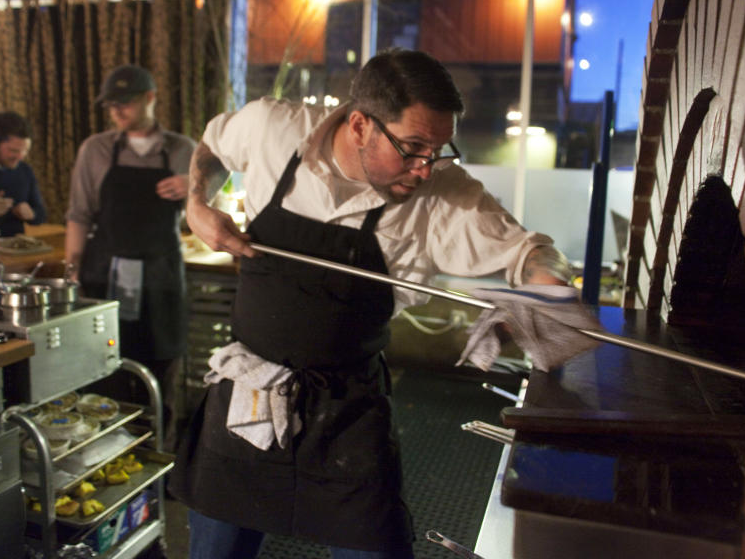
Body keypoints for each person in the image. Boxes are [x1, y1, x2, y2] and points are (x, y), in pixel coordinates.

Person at [169, 48, 572, 559]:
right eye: (412, 147)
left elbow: (530, 251)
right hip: (248, 393)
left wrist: (549, 287)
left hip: (347, 414)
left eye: (439, 149)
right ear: (359, 124)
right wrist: (197, 204)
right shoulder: (271, 128)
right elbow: (211, 143)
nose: (426, 169)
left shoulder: (442, 197)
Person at [64, 64, 196, 443]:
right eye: (111, 105)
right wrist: (72, 269)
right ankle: (108, 452)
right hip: (104, 273)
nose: (117, 112)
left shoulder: (182, 149)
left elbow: (204, 209)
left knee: (162, 368)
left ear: (150, 98)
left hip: (160, 276)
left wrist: (194, 186)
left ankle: (161, 455)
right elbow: (78, 214)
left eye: (125, 103)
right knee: (107, 371)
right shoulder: (97, 149)